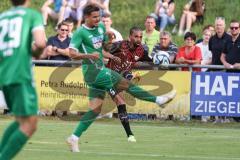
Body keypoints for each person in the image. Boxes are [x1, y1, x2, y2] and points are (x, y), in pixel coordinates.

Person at [66, 4, 176, 152]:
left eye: (99, 16)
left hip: (101, 70)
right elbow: (72, 53)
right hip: (92, 72)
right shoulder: (80, 32)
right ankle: (158, 100)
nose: (98, 19)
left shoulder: (100, 29)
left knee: (95, 110)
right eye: (94, 17)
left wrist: (111, 56)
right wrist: (88, 55)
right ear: (86, 17)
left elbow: (100, 51)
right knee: (125, 83)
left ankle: (74, 138)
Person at [0, 0, 46, 159]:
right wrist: (36, 52)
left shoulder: (3, 17)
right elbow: (40, 43)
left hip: (4, 74)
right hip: (20, 74)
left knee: (21, 120)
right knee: (30, 124)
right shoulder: (32, 15)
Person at [105, 27, 147, 142]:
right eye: (136, 36)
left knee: (120, 102)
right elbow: (102, 51)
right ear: (130, 37)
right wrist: (111, 57)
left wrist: (160, 63)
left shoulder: (141, 50)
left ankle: (130, 135)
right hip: (108, 78)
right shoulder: (119, 45)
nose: (139, 39)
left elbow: (149, 61)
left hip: (120, 78)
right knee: (120, 101)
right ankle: (130, 135)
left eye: (140, 37)